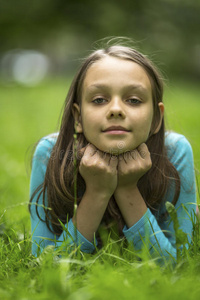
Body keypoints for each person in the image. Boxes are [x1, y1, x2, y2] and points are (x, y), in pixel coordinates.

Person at [29, 42, 197, 264]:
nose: (116, 109)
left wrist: (127, 188)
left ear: (156, 118)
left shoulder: (175, 152)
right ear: (78, 118)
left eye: (133, 100)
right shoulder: (51, 154)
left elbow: (177, 265)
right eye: (99, 100)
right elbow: (44, 266)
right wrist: (97, 192)